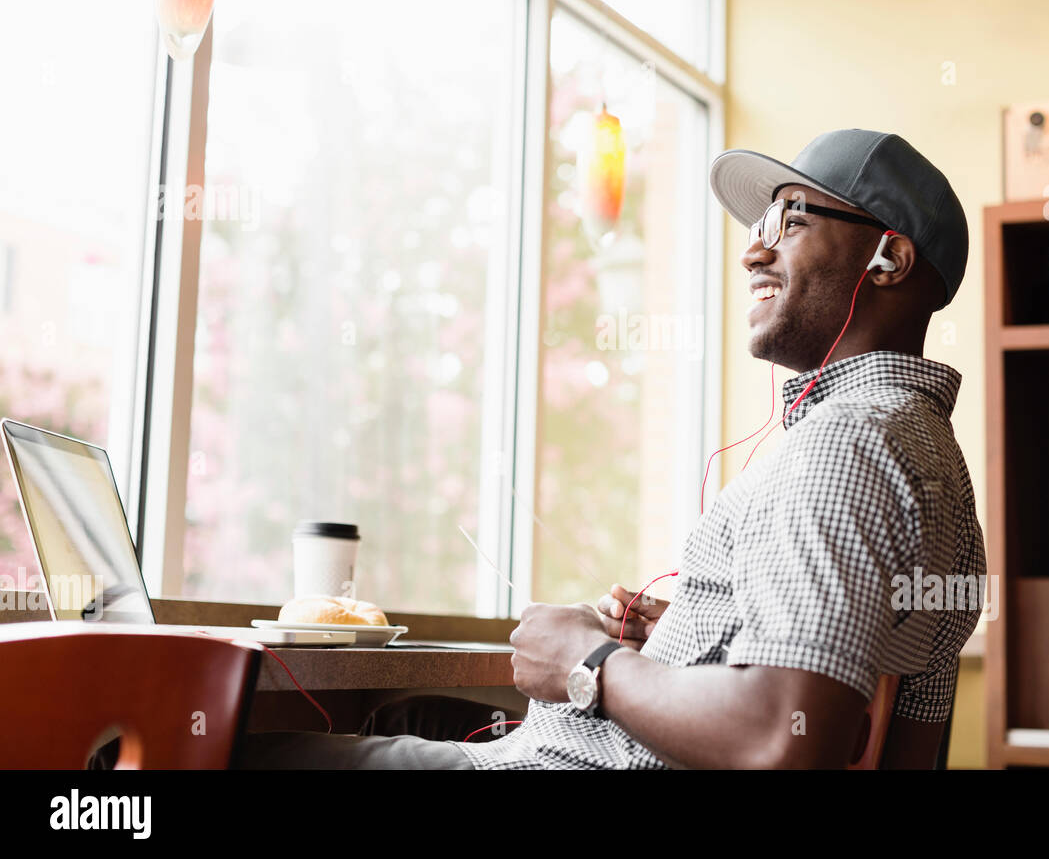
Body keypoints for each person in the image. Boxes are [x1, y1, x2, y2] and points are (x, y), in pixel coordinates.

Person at [237, 128, 986, 770]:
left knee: (221, 749)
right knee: (408, 708)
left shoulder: (845, 445)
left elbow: (782, 736)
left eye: (789, 220)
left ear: (887, 259)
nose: (752, 254)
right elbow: (907, 750)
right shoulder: (935, 468)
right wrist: (687, 646)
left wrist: (586, 664)